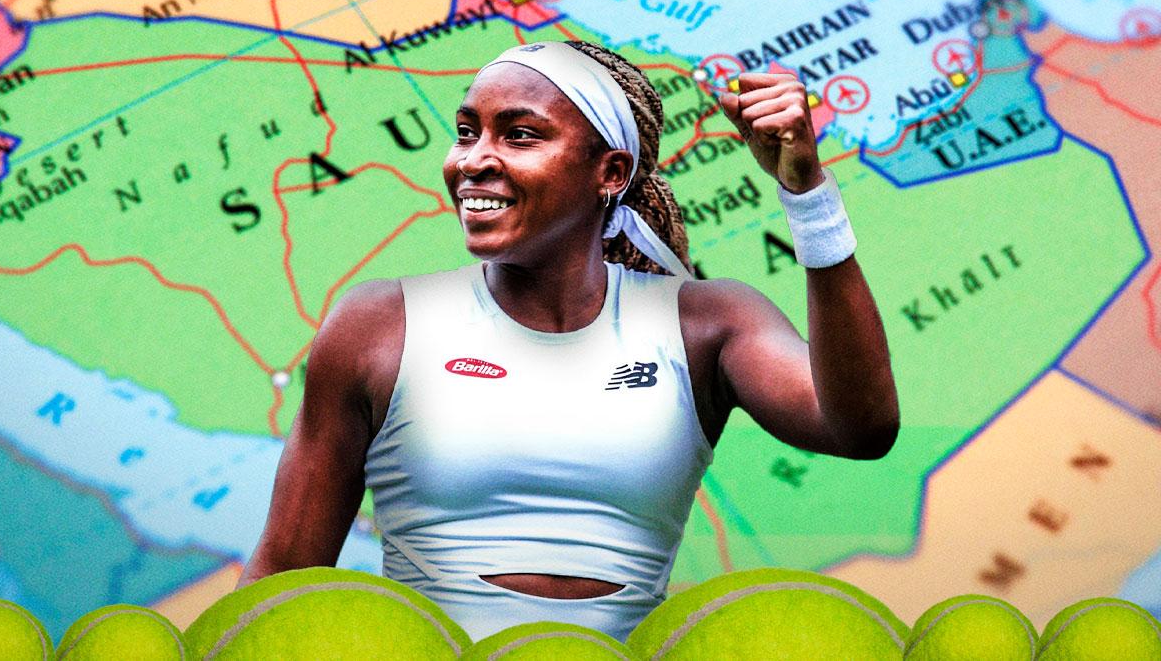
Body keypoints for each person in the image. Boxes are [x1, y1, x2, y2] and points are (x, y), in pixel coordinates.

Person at [237, 40, 899, 643]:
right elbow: (284, 575)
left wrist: (807, 194)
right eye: (467, 132)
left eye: (520, 134)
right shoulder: (377, 325)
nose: (474, 160)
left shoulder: (706, 321)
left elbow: (860, 427)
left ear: (609, 172)